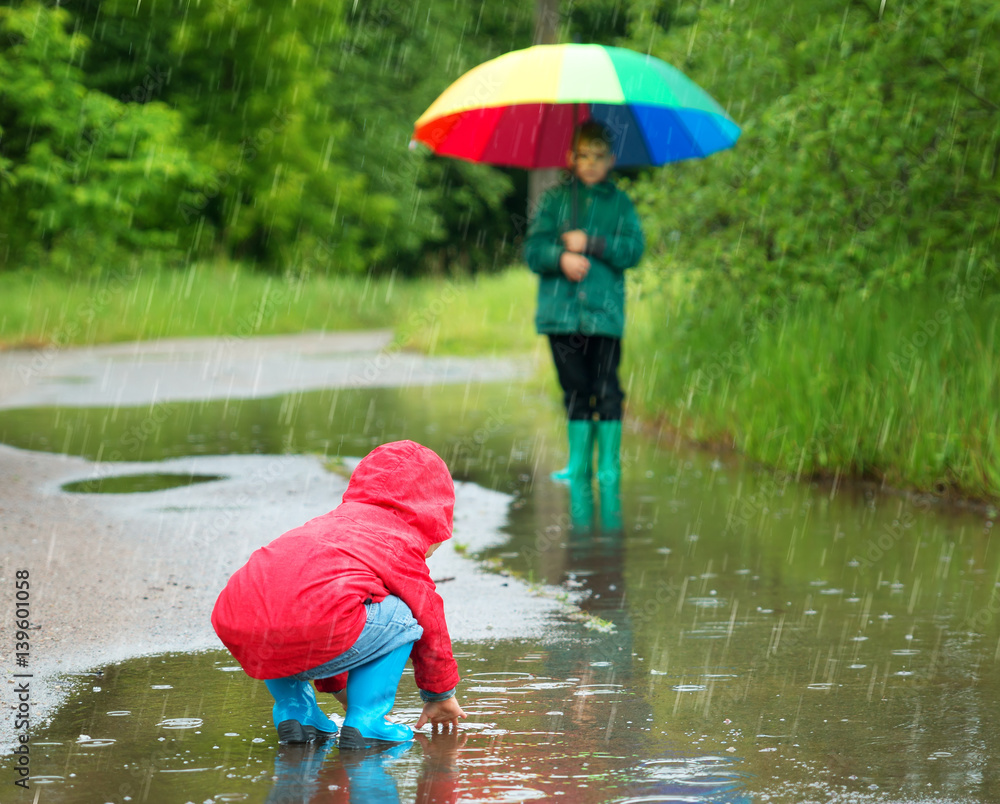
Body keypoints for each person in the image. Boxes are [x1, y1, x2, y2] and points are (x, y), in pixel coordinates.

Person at [211, 440, 467, 749]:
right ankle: (369, 721)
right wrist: (439, 694)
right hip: (313, 626)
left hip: (241, 623)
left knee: (280, 613)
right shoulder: (395, 539)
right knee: (404, 613)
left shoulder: (331, 526)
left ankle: (297, 711)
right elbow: (430, 619)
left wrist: (340, 688)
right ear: (434, 514)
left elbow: (316, 618)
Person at [524, 120, 645, 491]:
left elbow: (633, 250)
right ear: (570, 158)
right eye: (583, 155)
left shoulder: (621, 204)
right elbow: (533, 251)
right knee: (574, 388)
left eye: (598, 156)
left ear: (610, 160)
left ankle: (608, 465)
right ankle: (578, 465)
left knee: (606, 387)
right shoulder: (556, 201)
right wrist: (560, 257)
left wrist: (592, 243)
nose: (590, 162)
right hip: (561, 317)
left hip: (603, 317)